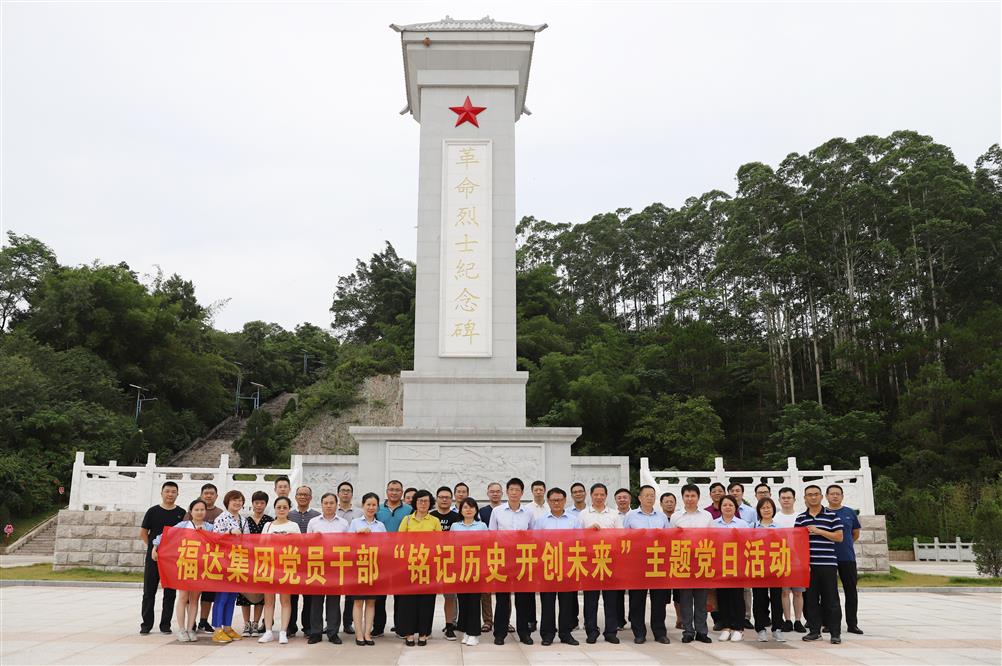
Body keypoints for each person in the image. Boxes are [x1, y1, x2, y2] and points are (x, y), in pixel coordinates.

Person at [153, 498, 213, 642]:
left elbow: (219, 541)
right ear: (191, 511)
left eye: (202, 510)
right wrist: (155, 547)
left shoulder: (210, 527)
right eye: (196, 510)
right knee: (183, 597)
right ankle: (181, 629)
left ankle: (191, 628)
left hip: (201, 567)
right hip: (185, 565)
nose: (199, 512)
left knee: (195, 599)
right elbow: (164, 535)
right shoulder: (183, 525)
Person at [531, 487, 581, 646]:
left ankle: (565, 633)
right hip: (548, 566)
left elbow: (580, 542)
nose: (556, 503)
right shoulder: (541, 521)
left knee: (567, 602)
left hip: (567, 566)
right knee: (547, 602)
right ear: (548, 501)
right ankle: (547, 634)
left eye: (559, 500)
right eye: (553, 500)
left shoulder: (574, 520)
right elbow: (535, 543)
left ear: (565, 501)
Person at [488, 478, 535, 645]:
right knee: (502, 598)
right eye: (511, 490)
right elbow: (491, 535)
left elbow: (533, 535)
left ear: (522, 493)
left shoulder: (528, 512)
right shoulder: (497, 511)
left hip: (522, 559)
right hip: (503, 559)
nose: (514, 493)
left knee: (523, 599)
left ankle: (524, 633)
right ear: (507, 492)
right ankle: (500, 633)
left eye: (517, 490)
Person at [796, 484, 844, 644]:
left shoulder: (832, 516)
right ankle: (814, 631)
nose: (813, 497)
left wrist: (818, 531)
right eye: (809, 495)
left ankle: (835, 633)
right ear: (805, 498)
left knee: (831, 599)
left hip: (828, 564)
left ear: (821, 496)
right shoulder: (801, 518)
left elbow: (839, 537)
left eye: (816, 494)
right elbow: (797, 543)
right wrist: (803, 563)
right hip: (809, 566)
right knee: (811, 600)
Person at [623, 485, 671, 644]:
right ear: (640, 498)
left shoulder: (661, 517)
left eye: (652, 495)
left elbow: (668, 538)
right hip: (638, 563)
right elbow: (624, 538)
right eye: (647, 495)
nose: (650, 498)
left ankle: (660, 632)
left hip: (658, 562)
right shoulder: (631, 516)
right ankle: (639, 632)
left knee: (659, 600)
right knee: (637, 599)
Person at [139, 483, 187, 635]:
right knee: (149, 591)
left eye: (173, 492)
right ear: (161, 493)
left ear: (178, 494)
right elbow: (143, 532)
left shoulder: (181, 513)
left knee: (170, 593)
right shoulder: (153, 511)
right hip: (153, 557)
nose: (170, 494)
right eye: (167, 491)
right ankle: (146, 624)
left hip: (172, 559)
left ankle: (165, 624)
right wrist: (152, 547)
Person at [579, 482, 622, 644]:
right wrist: (588, 531)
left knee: (611, 599)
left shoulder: (614, 514)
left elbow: (620, 537)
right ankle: (591, 631)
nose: (599, 497)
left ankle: (611, 631)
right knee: (590, 599)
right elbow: (576, 537)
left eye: (602, 494)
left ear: (606, 496)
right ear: (591, 496)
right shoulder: (583, 514)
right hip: (590, 561)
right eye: (596, 494)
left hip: (610, 560)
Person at [670, 483, 713, 644]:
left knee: (701, 599)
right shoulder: (676, 517)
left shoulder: (706, 516)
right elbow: (670, 539)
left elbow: (713, 537)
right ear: (682, 498)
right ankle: (688, 631)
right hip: (683, 561)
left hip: (702, 560)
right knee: (686, 599)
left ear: (698, 497)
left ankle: (702, 631)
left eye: (693, 496)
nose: (690, 499)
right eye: (687, 496)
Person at [398, 489, 441, 646]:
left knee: (427, 601)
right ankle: (409, 633)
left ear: (430, 503)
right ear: (415, 503)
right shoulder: (407, 520)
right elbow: (399, 542)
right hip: (409, 567)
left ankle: (424, 633)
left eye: (426, 501)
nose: (423, 504)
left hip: (428, 567)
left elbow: (439, 543)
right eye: (420, 501)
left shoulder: (434, 521)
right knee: (408, 602)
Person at [306, 492, 349, 645]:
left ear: (337, 505)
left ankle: (333, 632)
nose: (329, 506)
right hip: (317, 565)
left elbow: (349, 544)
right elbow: (306, 545)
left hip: (335, 566)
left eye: (332, 503)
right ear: (322, 504)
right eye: (326, 503)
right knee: (316, 602)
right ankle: (315, 632)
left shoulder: (344, 523)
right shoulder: (313, 522)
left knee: (334, 602)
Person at [259, 496, 299, 644]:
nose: (281, 510)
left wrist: (288, 539)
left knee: (285, 600)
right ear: (274, 509)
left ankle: (283, 631)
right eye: (279, 507)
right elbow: (261, 545)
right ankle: (268, 631)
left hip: (286, 566)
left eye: (285, 507)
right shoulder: (268, 525)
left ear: (289, 509)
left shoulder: (294, 526)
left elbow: (300, 546)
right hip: (269, 566)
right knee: (268, 601)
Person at [348, 492, 386, 646]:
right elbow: (347, 544)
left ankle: (367, 633)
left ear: (377, 507)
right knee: (358, 602)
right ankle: (359, 634)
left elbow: (385, 546)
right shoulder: (355, 523)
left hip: (374, 568)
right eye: (368, 504)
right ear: (363, 506)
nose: (371, 507)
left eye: (374, 505)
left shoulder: (380, 525)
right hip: (358, 568)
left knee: (371, 602)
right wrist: (358, 534)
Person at [210, 490, 248, 643]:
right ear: (227, 502)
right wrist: (230, 532)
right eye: (234, 500)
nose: (237, 503)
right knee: (222, 596)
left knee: (232, 596)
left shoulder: (243, 520)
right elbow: (215, 538)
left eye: (240, 500)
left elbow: (248, 540)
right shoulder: (222, 518)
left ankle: (227, 627)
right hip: (224, 561)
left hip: (238, 561)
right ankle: (217, 629)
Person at [375, 479, 412, 638]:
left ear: (402, 492)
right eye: (391, 489)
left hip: (401, 558)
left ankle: (400, 627)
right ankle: (378, 627)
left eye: (397, 490)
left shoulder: (409, 509)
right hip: (381, 557)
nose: (394, 492)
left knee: (401, 595)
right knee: (379, 595)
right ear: (387, 492)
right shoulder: (378, 508)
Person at [184, 483, 222, 634]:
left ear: (216, 496)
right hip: (192, 560)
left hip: (210, 560)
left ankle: (203, 621)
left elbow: (220, 535)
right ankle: (191, 622)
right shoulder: (190, 516)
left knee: (208, 594)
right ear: (201, 495)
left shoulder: (219, 513)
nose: (209, 496)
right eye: (206, 493)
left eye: (212, 493)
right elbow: (178, 533)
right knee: (190, 595)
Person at [712, 495, 750, 642]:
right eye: (725, 505)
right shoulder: (713, 524)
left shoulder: (742, 524)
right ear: (720, 507)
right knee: (722, 597)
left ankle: (739, 628)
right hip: (720, 565)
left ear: (735, 507)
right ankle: (726, 627)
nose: (727, 507)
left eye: (730, 505)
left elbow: (748, 544)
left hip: (737, 565)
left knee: (737, 597)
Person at [827, 484, 863, 635]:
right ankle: (830, 623)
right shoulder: (823, 513)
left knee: (851, 591)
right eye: (832, 494)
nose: (835, 496)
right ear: (827, 496)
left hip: (847, 557)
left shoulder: (849, 512)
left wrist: (846, 544)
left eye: (838, 494)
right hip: (828, 557)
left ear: (842, 496)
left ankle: (852, 624)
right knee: (829, 592)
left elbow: (855, 533)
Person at [452, 497, 488, 645]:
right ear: (460, 510)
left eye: (471, 507)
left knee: (474, 601)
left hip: (476, 568)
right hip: (460, 568)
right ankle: (466, 631)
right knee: (463, 601)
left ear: (476, 510)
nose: (468, 510)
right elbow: (451, 546)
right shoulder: (455, 526)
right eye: (465, 507)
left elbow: (487, 546)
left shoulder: (482, 526)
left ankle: (474, 633)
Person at [752, 498, 786, 643]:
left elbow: (785, 546)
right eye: (763, 508)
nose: (766, 510)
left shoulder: (779, 527)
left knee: (777, 599)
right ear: (759, 511)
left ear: (773, 509)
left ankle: (777, 629)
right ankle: (760, 629)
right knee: (759, 599)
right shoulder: (753, 527)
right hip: (758, 567)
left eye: (769, 507)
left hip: (775, 566)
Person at [287, 485, 319, 638]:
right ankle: (290, 627)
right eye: (300, 494)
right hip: (292, 560)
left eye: (306, 495)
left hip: (309, 561)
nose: (303, 497)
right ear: (295, 497)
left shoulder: (316, 516)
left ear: (310, 497)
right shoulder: (289, 515)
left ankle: (308, 627)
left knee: (309, 597)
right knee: (291, 596)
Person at [240, 490, 272, 636]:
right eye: (256, 503)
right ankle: (246, 624)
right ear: (252, 504)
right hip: (247, 560)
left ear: (266, 504)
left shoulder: (270, 521)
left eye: (262, 503)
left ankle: (256, 623)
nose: (259, 505)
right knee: (244, 593)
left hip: (264, 561)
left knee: (261, 592)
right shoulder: (244, 521)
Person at [431, 486, 461, 640]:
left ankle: (450, 626)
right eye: (441, 497)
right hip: (430, 562)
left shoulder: (458, 517)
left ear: (451, 499)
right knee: (427, 596)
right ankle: (425, 627)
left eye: (447, 497)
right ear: (436, 499)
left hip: (451, 562)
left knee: (450, 596)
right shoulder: (430, 516)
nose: (444, 499)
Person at [775, 486, 806, 633]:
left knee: (798, 592)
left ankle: (798, 620)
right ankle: (787, 620)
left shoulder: (801, 517)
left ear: (794, 499)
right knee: (784, 592)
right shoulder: (775, 518)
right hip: (781, 558)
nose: (786, 500)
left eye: (789, 497)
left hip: (798, 559)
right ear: (779, 500)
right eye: (783, 498)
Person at [477, 482, 503, 635]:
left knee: (503, 590)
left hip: (503, 555)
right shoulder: (482, 512)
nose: (495, 494)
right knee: (485, 590)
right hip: (485, 554)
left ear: (502, 493)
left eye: (497, 491)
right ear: (487, 493)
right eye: (492, 491)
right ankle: (487, 621)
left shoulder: (506, 510)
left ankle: (504, 621)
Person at [335, 481, 360, 633]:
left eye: (348, 491)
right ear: (338, 493)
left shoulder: (359, 513)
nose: (345, 493)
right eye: (343, 490)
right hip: (336, 557)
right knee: (334, 592)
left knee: (351, 592)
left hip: (354, 556)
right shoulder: (332, 510)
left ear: (352, 494)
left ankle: (348, 622)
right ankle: (332, 622)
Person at [613, 487, 632, 630]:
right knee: (617, 591)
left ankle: (634, 617)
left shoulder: (637, 514)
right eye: (619, 498)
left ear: (630, 499)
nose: (622, 500)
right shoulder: (612, 515)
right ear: (615, 500)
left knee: (635, 590)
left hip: (634, 556)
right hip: (616, 557)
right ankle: (619, 620)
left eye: (625, 497)